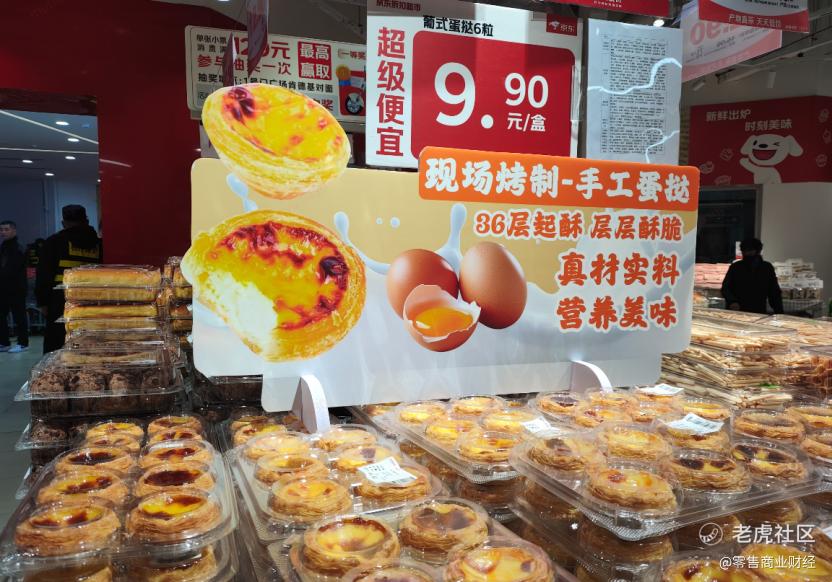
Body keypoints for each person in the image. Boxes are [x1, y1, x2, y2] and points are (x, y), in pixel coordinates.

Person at [36, 205, 102, 354]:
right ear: (86, 221)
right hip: (92, 300)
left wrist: (43, 302)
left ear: (63, 223)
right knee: (88, 342)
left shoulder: (53, 242)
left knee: (57, 345)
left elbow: (44, 276)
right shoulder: (99, 244)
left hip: (61, 301)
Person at [721, 237, 784, 314]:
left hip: (757, 311)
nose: (746, 253)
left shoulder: (766, 268)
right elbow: (725, 287)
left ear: (758, 251)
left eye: (750, 251)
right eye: (744, 251)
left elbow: (774, 292)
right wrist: (732, 301)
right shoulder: (735, 267)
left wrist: (779, 312)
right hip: (737, 311)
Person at [0, 220, 29, 353]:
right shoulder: (3, 247)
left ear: (14, 231)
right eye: (1, 230)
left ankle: (23, 343)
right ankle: (4, 342)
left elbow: (12, 269)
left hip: (16, 288)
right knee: (1, 315)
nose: (3, 232)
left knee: (19, 316)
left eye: (6, 229)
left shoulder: (18, 248)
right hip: (3, 288)